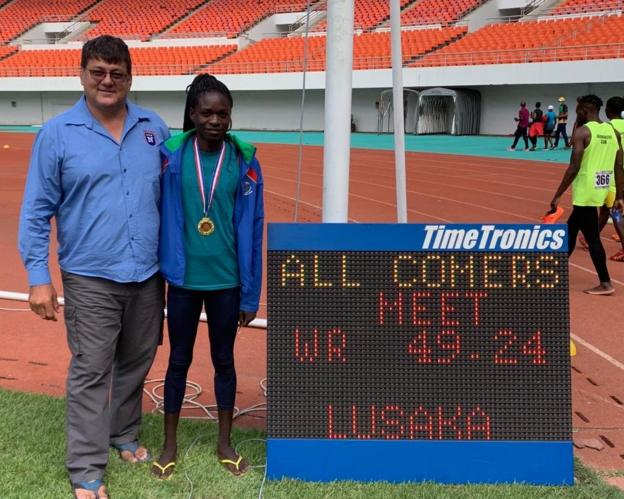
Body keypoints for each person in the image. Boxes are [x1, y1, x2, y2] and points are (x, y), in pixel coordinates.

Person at [18, 36, 169, 498]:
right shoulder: (57, 134)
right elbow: (36, 210)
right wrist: (38, 278)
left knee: (137, 360)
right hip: (89, 275)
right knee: (91, 369)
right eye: (98, 71)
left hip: (147, 272)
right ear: (82, 74)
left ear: (130, 75)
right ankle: (86, 469)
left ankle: (123, 434)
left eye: (117, 72)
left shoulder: (153, 127)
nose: (108, 81)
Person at [152, 74, 264, 479]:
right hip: (182, 280)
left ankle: (224, 442)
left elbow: (255, 228)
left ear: (230, 117)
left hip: (227, 283)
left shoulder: (245, 161)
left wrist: (250, 294)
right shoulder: (171, 157)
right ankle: (169, 445)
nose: (215, 120)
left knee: (224, 360)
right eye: (207, 113)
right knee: (178, 359)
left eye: (222, 113)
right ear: (192, 114)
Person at [549, 94, 624, 295]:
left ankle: (606, 282)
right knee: (571, 230)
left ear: (584, 109)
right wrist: (619, 196)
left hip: (585, 192)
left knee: (592, 238)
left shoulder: (583, 132)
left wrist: (557, 195)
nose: (576, 113)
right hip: (603, 187)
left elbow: (574, 167)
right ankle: (557, 273)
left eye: (578, 110)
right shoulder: (612, 131)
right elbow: (619, 165)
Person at [579, 96, 624, 261]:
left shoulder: (608, 127)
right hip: (618, 172)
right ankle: (590, 237)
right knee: (606, 209)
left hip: (614, 173)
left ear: (607, 111)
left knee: (615, 211)